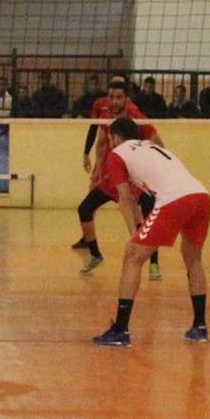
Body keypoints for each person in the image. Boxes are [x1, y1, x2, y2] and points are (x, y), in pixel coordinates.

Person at [92, 119, 210, 348]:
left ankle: (120, 329)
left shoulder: (117, 153)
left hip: (175, 199)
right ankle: (200, 327)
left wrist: (133, 234)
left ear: (114, 138)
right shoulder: (151, 146)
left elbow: (124, 198)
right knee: (193, 259)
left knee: (132, 256)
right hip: (201, 196)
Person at [76, 80, 159, 276]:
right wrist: (98, 168)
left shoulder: (138, 119)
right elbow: (103, 143)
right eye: (111, 97)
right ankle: (96, 255)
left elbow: (158, 145)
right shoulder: (106, 116)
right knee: (84, 209)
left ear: (127, 99)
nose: (114, 101)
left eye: (119, 97)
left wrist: (147, 171)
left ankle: (154, 263)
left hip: (134, 177)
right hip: (113, 175)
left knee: (141, 219)